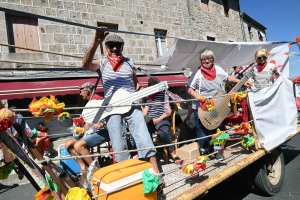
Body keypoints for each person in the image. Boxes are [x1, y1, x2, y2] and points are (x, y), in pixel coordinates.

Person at [82, 28, 160, 176]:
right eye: (111, 45)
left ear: (122, 47)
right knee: (118, 143)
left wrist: (145, 92)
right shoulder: (103, 63)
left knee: (143, 136)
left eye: (118, 46)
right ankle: (128, 176)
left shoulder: (130, 63)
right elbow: (85, 64)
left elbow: (135, 85)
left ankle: (156, 172)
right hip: (112, 107)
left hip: (132, 103)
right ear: (106, 48)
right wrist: (94, 42)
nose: (115, 48)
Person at [187, 50, 252, 160]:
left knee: (218, 128)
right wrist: (198, 97)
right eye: (204, 59)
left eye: (209, 58)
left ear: (213, 60)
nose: (207, 61)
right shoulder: (196, 74)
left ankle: (218, 151)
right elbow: (189, 89)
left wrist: (240, 82)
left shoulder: (218, 70)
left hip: (218, 105)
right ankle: (205, 152)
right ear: (201, 61)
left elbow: (227, 78)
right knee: (202, 130)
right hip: (202, 107)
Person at [65, 82, 109, 171]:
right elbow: (87, 123)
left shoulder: (101, 100)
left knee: (78, 145)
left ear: (87, 91)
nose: (80, 94)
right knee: (68, 144)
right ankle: (84, 168)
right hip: (91, 131)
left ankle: (96, 170)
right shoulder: (89, 103)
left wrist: (101, 123)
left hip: (103, 131)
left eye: (81, 91)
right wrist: (83, 131)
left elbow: (112, 116)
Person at [143, 77, 183, 165]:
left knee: (163, 132)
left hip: (162, 119)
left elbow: (168, 112)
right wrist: (149, 119)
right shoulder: (149, 98)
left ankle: (172, 153)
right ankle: (150, 155)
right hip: (150, 121)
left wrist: (158, 119)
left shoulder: (164, 95)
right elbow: (145, 112)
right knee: (144, 132)